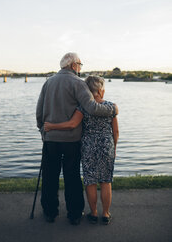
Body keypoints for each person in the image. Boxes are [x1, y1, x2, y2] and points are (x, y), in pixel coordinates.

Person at [36, 53, 118, 225]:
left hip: (50, 138)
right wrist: (112, 110)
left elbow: (39, 111)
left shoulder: (48, 83)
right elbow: (92, 108)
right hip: (71, 140)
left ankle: (50, 212)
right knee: (71, 176)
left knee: (49, 176)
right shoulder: (78, 83)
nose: (81, 68)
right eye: (80, 64)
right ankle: (74, 214)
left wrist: (43, 131)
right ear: (73, 66)